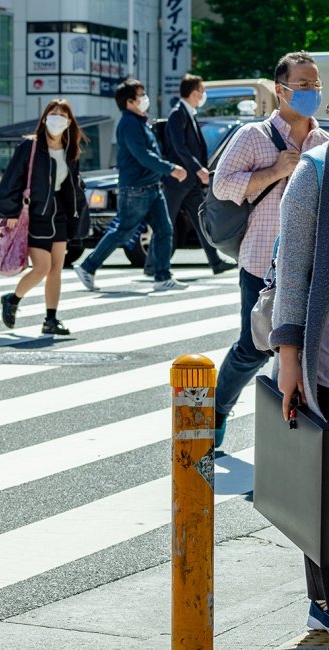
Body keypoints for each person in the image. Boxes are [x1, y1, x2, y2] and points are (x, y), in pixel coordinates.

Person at [212, 51, 329, 448]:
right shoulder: (253, 136)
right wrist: (276, 171)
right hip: (261, 263)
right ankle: (216, 412)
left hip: (309, 268)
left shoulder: (322, 141)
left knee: (294, 350)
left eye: (316, 84)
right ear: (280, 91)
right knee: (253, 347)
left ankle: (289, 443)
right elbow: (221, 186)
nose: (312, 91)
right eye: (303, 85)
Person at [270, 139, 329, 634]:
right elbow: (292, 271)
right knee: (322, 487)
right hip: (326, 361)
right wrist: (288, 357)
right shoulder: (315, 169)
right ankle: (324, 601)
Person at [76, 80, 189, 292]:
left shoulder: (138, 121)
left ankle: (162, 277)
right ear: (129, 102)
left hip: (151, 187)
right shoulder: (129, 123)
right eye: (141, 95)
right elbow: (142, 155)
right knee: (123, 232)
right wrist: (171, 168)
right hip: (136, 189)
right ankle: (88, 266)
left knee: (164, 230)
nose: (145, 98)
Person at [0, 99, 90, 336]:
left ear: (69, 122)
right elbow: (12, 179)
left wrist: (78, 216)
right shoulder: (30, 146)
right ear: (45, 118)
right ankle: (13, 299)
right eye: (53, 113)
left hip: (60, 213)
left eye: (62, 114)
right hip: (35, 213)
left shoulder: (70, 149)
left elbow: (73, 185)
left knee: (57, 267)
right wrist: (10, 212)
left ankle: (51, 319)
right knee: (42, 266)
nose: (57, 118)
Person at [163, 74, 237, 275]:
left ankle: (215, 262)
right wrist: (197, 169)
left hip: (189, 182)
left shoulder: (189, 113)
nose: (203, 95)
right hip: (177, 181)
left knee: (202, 222)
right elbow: (179, 147)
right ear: (195, 92)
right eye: (202, 90)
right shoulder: (178, 114)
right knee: (165, 223)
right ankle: (153, 265)